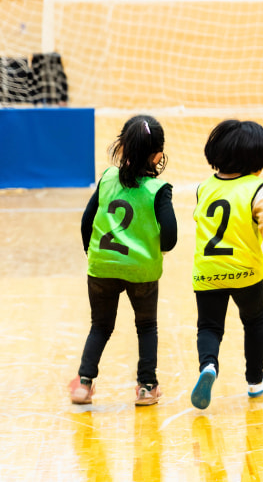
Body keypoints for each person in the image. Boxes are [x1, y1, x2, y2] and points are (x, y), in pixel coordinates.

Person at [70, 115, 177, 406]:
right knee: (146, 327)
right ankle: (146, 387)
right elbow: (170, 237)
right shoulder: (159, 190)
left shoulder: (106, 178)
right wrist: (158, 249)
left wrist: (91, 254)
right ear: (157, 155)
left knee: (100, 326)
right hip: (142, 271)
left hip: (101, 267)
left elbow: (86, 222)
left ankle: (83, 384)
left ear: (123, 147)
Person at [190, 120, 263, 410]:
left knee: (209, 327)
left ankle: (208, 366)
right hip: (246, 273)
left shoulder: (203, 188)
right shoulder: (260, 189)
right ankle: (255, 380)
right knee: (254, 322)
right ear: (257, 159)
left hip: (207, 272)